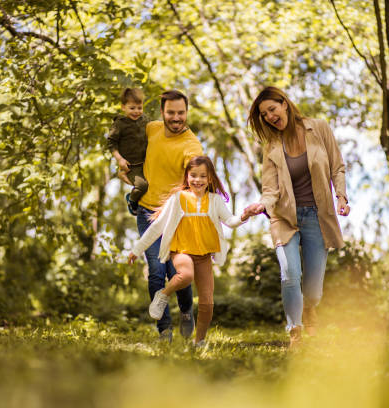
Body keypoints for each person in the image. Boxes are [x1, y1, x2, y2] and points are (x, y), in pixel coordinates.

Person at [243, 86, 350, 348]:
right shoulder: (271, 147)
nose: (269, 116)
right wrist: (260, 205)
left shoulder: (319, 129)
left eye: (272, 109)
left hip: (316, 215)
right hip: (284, 218)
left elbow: (337, 167)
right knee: (290, 274)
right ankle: (295, 333)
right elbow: (270, 189)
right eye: (264, 114)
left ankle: (309, 309)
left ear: (285, 104)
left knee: (313, 289)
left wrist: (341, 197)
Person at [129, 156, 251, 346]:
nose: (198, 180)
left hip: (204, 256)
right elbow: (157, 226)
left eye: (203, 176)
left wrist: (245, 215)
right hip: (182, 251)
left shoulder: (215, 200)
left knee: (207, 303)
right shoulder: (178, 198)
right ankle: (162, 295)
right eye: (193, 175)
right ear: (187, 177)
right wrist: (137, 249)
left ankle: (199, 341)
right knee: (185, 275)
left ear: (210, 178)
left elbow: (231, 221)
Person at [135, 90, 203, 342]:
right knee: (155, 271)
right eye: (171, 113)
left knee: (177, 270)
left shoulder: (191, 145)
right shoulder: (151, 129)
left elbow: (197, 174)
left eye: (181, 113)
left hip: (176, 217)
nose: (176, 118)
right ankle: (164, 329)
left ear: (187, 112)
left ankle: (186, 312)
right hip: (147, 212)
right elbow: (129, 140)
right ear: (162, 113)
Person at [107, 88, 150, 215]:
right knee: (142, 186)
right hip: (131, 166)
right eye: (132, 108)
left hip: (146, 162)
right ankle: (131, 200)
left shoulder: (145, 120)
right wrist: (119, 159)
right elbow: (111, 143)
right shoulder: (120, 124)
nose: (137, 111)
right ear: (123, 107)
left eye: (139, 107)